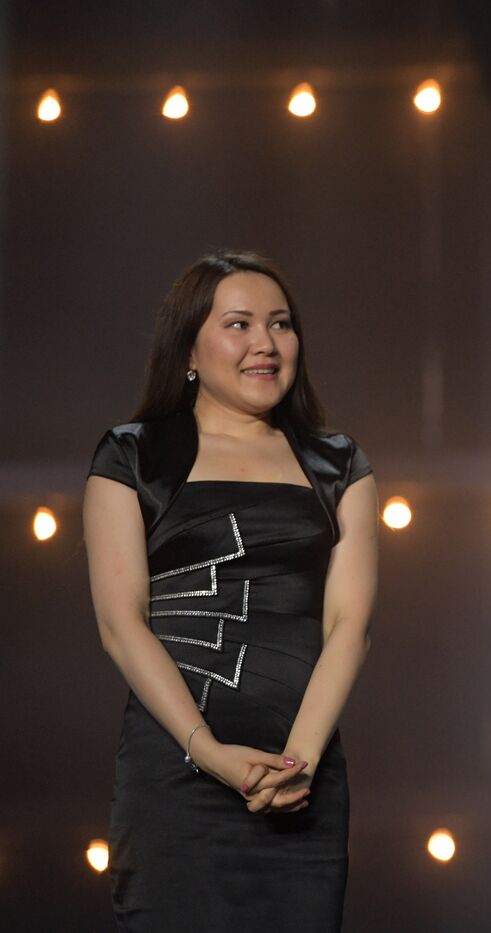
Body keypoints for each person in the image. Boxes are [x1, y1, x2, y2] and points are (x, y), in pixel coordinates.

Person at [84, 252, 377, 931]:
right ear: (189, 347)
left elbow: (349, 624)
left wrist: (297, 763)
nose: (265, 344)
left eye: (280, 324)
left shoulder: (338, 463)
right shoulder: (132, 456)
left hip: (300, 787)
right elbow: (120, 623)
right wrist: (210, 753)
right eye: (239, 324)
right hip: (176, 783)